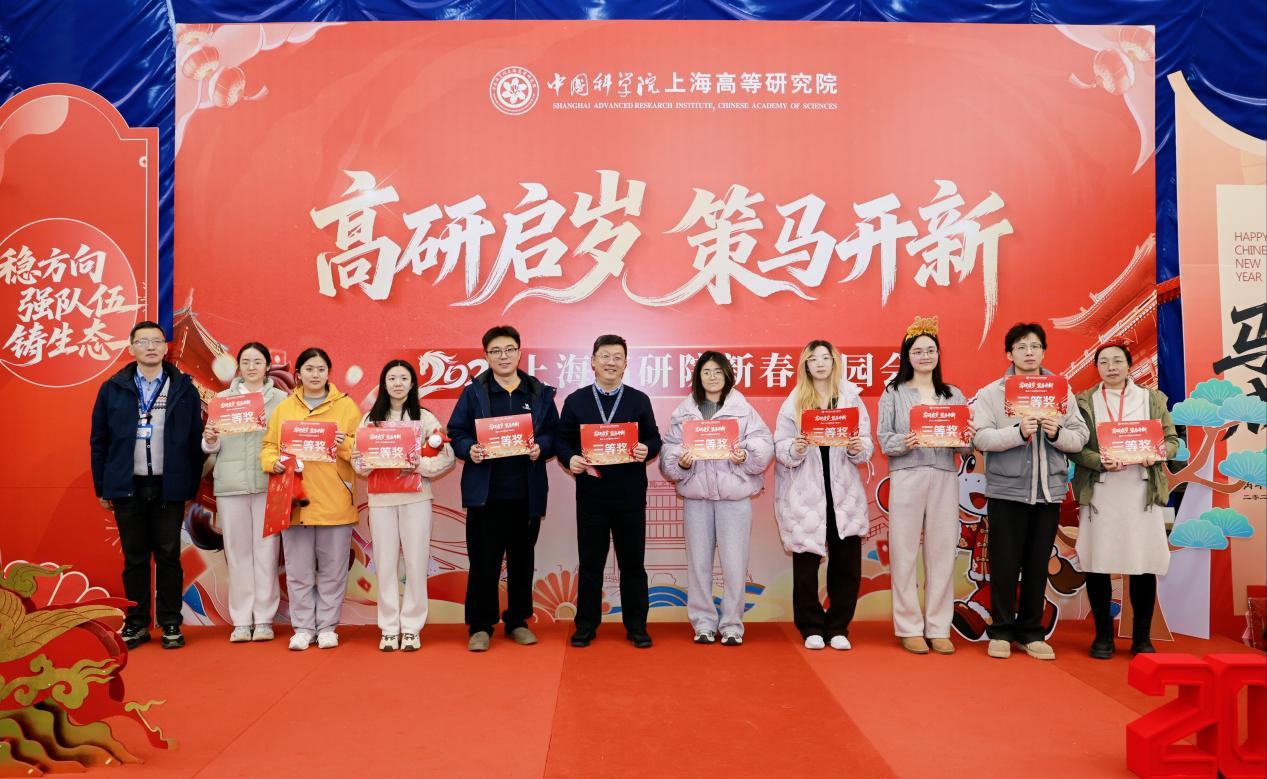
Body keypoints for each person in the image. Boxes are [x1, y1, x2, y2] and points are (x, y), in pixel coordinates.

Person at [971, 323, 1088, 661]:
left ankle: (1031, 633)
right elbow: (980, 437)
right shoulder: (992, 393)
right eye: (1021, 347)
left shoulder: (1060, 391)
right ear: (1009, 354)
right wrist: (1017, 432)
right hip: (1006, 491)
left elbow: (1080, 437)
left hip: (1048, 491)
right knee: (1004, 565)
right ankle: (1001, 631)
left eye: (1035, 346)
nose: (1029, 352)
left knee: (1038, 565)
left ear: (1044, 352)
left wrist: (1057, 434)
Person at [91, 321, 204, 650]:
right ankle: (137, 623)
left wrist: (188, 486)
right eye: (143, 342)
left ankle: (170, 622)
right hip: (128, 485)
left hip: (169, 486)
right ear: (131, 348)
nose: (151, 347)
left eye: (157, 341)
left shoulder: (183, 388)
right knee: (135, 558)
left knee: (169, 556)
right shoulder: (113, 388)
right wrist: (103, 487)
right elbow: (99, 441)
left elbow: (194, 441)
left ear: (166, 348)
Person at [448, 325, 558, 652]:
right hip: (486, 494)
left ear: (519, 352)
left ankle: (518, 621)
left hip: (526, 493)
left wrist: (542, 447)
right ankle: (481, 626)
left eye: (509, 349)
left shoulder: (538, 392)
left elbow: (554, 433)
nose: (503, 356)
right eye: (496, 351)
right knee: (484, 562)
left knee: (522, 561)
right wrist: (469, 449)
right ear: (487, 356)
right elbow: (456, 431)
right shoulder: (474, 393)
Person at [1070, 343, 1178, 658]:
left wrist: (1155, 453)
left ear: (1129, 365)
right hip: (1101, 492)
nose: (1111, 367)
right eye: (1104, 362)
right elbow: (1075, 447)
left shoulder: (1151, 399)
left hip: (1141, 491)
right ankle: (1103, 636)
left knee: (1143, 563)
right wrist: (1099, 461)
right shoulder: (1084, 401)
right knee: (1097, 562)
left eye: (1118, 360)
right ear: (1097, 368)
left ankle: (1141, 638)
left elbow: (1172, 441)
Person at [660, 351, 773, 646]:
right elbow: (668, 450)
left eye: (717, 372)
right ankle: (703, 623)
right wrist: (681, 462)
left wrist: (744, 455)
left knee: (735, 564)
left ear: (727, 375)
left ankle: (733, 625)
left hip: (734, 499)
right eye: (706, 372)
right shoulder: (684, 412)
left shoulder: (743, 410)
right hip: (697, 499)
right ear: (698, 376)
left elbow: (764, 444)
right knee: (698, 564)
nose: (712, 377)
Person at [557, 334, 662, 648]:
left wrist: (646, 448)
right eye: (605, 356)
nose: (611, 363)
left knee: (633, 564)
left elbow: (654, 438)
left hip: (630, 495)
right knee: (591, 563)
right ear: (593, 361)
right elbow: (562, 440)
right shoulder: (576, 401)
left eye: (618, 357)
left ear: (626, 364)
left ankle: (637, 626)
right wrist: (570, 458)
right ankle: (586, 625)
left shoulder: (638, 399)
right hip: (592, 495)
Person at [876, 317, 972, 655]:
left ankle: (938, 626)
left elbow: (965, 447)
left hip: (944, 474)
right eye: (917, 351)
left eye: (930, 350)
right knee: (903, 551)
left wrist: (966, 437)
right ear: (907, 356)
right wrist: (905, 441)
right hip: (907, 474)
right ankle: (908, 627)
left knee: (942, 551)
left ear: (938, 354)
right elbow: (884, 439)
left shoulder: (953, 394)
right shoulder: (893, 393)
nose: (925, 356)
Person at [773, 340, 874, 651]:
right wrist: (794, 448)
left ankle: (839, 626)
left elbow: (866, 442)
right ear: (805, 364)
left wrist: (858, 447)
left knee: (846, 564)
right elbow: (780, 446)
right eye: (813, 358)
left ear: (834, 362)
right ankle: (811, 627)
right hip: (806, 494)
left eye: (825, 358)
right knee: (805, 565)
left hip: (843, 493)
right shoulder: (794, 402)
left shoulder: (850, 397)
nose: (819, 363)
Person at [260, 347, 361, 651]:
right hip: (295, 502)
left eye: (321, 369)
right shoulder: (285, 408)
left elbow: (363, 452)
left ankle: (328, 627)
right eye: (309, 369)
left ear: (328, 373)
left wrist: (344, 444)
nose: (315, 375)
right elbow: (269, 447)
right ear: (298, 374)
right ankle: (303, 628)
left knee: (333, 571)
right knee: (298, 571)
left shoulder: (346, 407)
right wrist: (273, 463)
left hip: (335, 502)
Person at [353, 360, 454, 652]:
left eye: (403, 378)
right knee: (384, 565)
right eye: (392, 378)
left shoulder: (425, 418)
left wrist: (418, 465)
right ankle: (388, 628)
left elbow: (446, 457)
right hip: (381, 500)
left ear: (412, 384)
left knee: (415, 563)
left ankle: (411, 627)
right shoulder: (369, 420)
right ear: (384, 384)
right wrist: (367, 462)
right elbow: (358, 462)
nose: (398, 383)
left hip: (416, 500)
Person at [202, 342, 287, 643]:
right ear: (238, 366)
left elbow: (287, 440)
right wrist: (210, 438)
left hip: (268, 484)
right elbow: (211, 446)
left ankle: (263, 619)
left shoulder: (282, 400)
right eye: (246, 362)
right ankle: (241, 620)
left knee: (266, 553)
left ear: (267, 366)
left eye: (258, 361)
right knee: (237, 554)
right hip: (230, 485)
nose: (252, 367)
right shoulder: (222, 400)